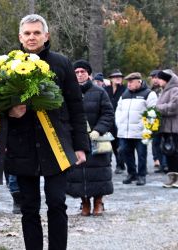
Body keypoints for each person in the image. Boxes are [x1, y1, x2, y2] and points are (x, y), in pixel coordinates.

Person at [2, 14, 89, 250]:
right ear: (20, 37)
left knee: (57, 203)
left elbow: (76, 107)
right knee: (29, 207)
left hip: (56, 146)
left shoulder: (61, 64)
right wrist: (10, 112)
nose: (32, 37)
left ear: (46, 35)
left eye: (36, 33)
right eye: (27, 33)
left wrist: (81, 145)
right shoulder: (6, 67)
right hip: (22, 147)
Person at [67, 60, 114, 216]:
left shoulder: (100, 92)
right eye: (77, 72)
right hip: (77, 140)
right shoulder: (67, 92)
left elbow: (108, 114)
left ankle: (98, 202)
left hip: (96, 140)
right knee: (79, 173)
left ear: (89, 74)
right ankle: (84, 202)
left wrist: (98, 130)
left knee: (99, 172)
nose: (80, 74)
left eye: (83, 71)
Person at [115, 72, 157, 186]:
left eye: (131, 82)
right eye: (127, 82)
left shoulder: (149, 94)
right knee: (125, 152)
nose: (128, 84)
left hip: (141, 131)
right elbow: (118, 110)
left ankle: (142, 175)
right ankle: (132, 173)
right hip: (125, 131)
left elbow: (152, 112)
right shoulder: (124, 94)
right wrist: (119, 123)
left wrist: (148, 129)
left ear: (139, 81)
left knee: (142, 154)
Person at [155, 70, 178, 188]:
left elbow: (175, 107)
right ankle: (173, 177)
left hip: (176, 128)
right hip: (166, 127)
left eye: (159, 78)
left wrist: (157, 108)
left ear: (166, 80)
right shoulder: (165, 91)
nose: (157, 80)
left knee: (174, 151)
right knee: (168, 152)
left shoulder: (176, 90)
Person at [104, 69, 126, 174]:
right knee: (108, 145)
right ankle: (107, 164)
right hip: (108, 121)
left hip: (120, 121)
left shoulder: (125, 90)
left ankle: (120, 165)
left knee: (119, 146)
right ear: (111, 79)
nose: (118, 78)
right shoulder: (105, 89)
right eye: (115, 76)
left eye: (120, 77)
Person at [148, 70, 168, 174]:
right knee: (155, 143)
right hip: (153, 120)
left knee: (163, 143)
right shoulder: (150, 90)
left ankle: (165, 164)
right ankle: (160, 163)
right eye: (153, 77)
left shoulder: (164, 89)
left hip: (164, 120)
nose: (155, 80)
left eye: (156, 77)